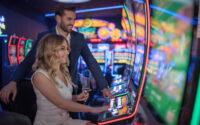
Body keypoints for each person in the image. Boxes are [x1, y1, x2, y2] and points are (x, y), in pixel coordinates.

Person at [0, 5, 113, 104]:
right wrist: (13, 82)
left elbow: (91, 61)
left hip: (70, 89)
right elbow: (28, 62)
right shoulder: (44, 36)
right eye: (69, 19)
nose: (72, 23)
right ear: (58, 18)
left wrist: (104, 86)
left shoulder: (79, 38)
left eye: (73, 19)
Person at [31, 34, 109, 125]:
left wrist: (76, 98)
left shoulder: (63, 72)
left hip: (65, 120)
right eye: (63, 48)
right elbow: (60, 103)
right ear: (51, 51)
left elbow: (60, 97)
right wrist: (93, 109)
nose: (68, 52)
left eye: (67, 49)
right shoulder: (40, 75)